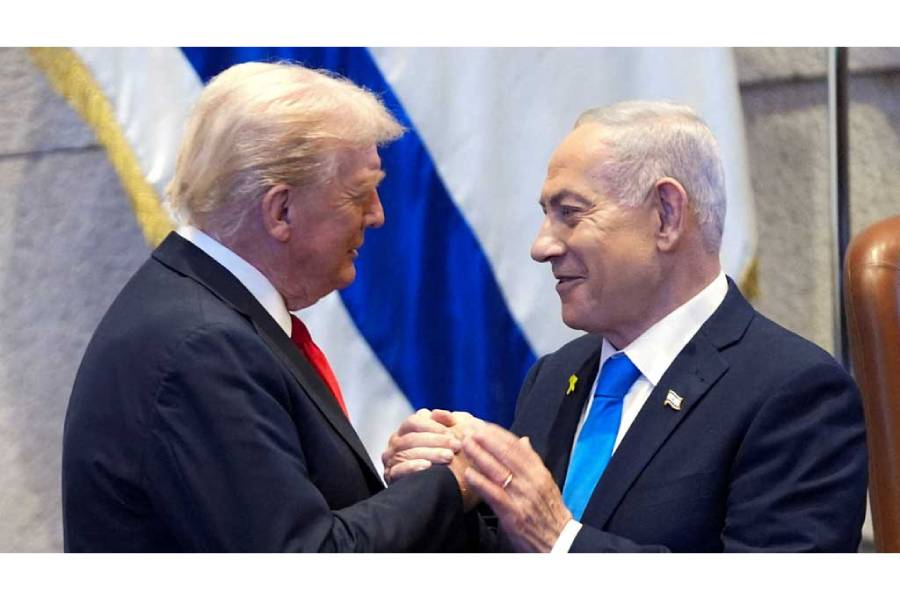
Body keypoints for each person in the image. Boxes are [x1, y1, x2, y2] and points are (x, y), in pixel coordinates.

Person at [383, 100, 868, 552]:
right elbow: (514, 556)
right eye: (546, 216)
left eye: (569, 214)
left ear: (666, 215)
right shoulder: (555, 376)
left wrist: (561, 540)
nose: (542, 246)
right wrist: (447, 491)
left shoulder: (794, 392)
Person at [62, 62, 476, 552]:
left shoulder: (205, 313)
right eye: (359, 194)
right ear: (281, 210)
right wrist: (452, 481)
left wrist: (417, 482)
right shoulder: (203, 346)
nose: (377, 215)